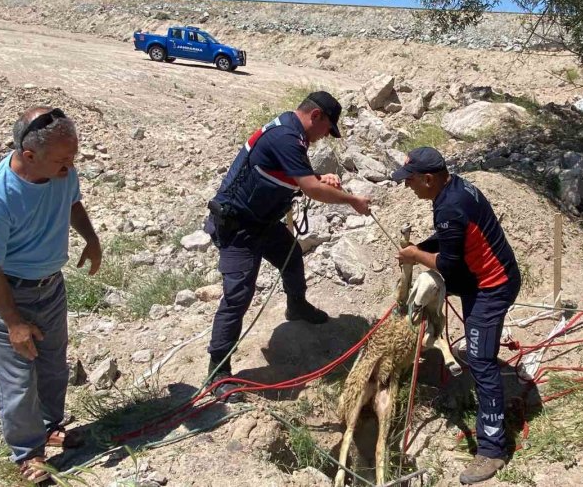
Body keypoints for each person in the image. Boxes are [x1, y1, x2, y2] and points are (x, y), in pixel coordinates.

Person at [0, 106, 101, 484]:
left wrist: (91, 238)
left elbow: (72, 202)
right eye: (62, 159)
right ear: (29, 155)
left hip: (48, 286)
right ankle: (28, 454)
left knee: (53, 364)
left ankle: (49, 426)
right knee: (17, 378)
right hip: (1, 294)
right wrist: (13, 323)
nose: (70, 166)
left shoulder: (60, 173)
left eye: (73, 157)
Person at [204, 91, 371, 399]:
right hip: (237, 226)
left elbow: (295, 175)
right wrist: (351, 200)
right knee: (238, 294)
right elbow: (309, 188)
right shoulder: (286, 136)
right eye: (327, 130)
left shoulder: (292, 134)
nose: (325, 138)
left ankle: (296, 306)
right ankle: (218, 371)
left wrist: (321, 177)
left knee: (292, 256)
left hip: (262, 222)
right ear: (316, 116)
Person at [392, 146, 520, 484]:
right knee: (479, 354)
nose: (409, 187)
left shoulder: (450, 206)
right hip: (479, 280)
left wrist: (417, 254)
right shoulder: (453, 190)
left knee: (481, 360)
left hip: (492, 286)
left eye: (411, 181)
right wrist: (422, 247)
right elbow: (451, 242)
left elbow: (449, 263)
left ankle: (493, 449)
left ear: (429, 178)